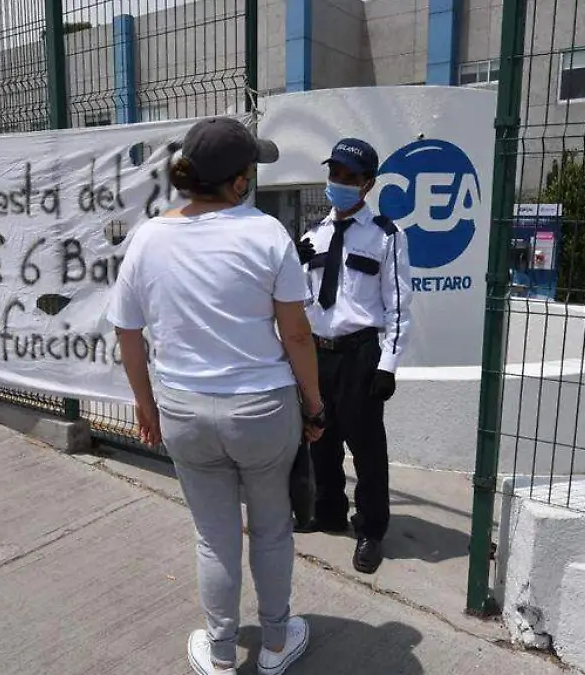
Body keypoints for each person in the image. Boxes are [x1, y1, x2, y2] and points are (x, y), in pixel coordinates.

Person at [107, 116, 326, 675]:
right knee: (272, 526)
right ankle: (276, 645)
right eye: (250, 168)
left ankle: (223, 652)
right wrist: (315, 406)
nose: (253, 177)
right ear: (236, 181)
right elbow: (296, 334)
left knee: (214, 536)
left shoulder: (149, 237)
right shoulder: (265, 234)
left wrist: (144, 404)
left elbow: (127, 332)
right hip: (263, 410)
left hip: (183, 409)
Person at [295, 138, 413, 575]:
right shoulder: (313, 234)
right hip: (317, 353)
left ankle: (371, 528)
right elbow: (302, 300)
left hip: (360, 353)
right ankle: (327, 510)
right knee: (319, 439)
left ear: (368, 184)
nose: (338, 184)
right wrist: (292, 265)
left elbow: (399, 305)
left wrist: (388, 365)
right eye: (334, 175)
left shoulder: (385, 236)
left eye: (348, 177)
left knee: (366, 448)